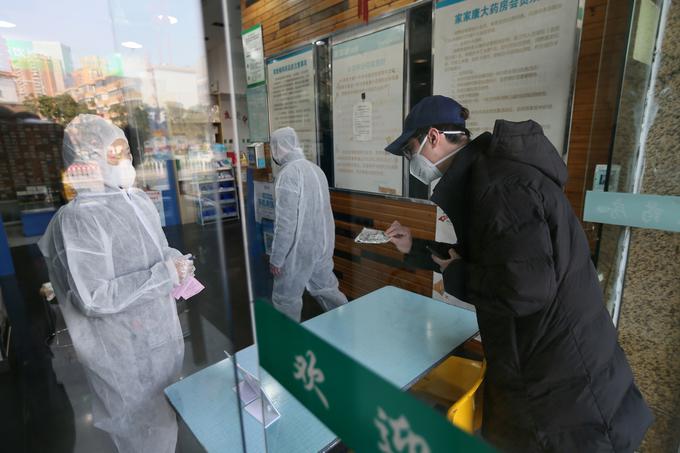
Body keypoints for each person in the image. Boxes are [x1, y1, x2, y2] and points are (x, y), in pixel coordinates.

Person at [384, 96, 652, 452]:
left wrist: (459, 275)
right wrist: (414, 247)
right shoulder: (492, 175)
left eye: (410, 149)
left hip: (564, 396)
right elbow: (495, 260)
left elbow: (524, 289)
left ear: (433, 137)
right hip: (560, 376)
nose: (411, 161)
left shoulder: (500, 187)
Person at [38, 115, 193, 453]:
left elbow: (158, 248)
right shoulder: (81, 217)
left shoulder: (135, 200)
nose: (126, 160)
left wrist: (177, 261)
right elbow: (93, 298)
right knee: (143, 432)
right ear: (88, 160)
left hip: (161, 336)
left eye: (126, 151)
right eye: (115, 153)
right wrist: (165, 274)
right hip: (123, 352)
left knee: (165, 414)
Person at [269, 127, 348, 322]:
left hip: (297, 251)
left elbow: (285, 223)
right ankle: (348, 323)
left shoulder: (287, 175)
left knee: (285, 299)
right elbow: (324, 215)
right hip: (322, 245)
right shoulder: (316, 170)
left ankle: (289, 344)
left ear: (278, 147)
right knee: (328, 290)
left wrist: (277, 258)